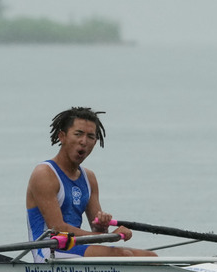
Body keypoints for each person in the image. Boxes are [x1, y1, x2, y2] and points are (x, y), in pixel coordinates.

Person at [25, 107, 154, 263]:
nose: (84, 141)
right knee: (123, 255)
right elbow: (58, 230)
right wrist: (109, 236)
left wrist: (102, 226)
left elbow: (97, 229)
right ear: (62, 136)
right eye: (78, 134)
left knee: (150, 257)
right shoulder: (44, 174)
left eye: (90, 136)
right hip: (49, 250)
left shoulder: (89, 178)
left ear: (95, 142)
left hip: (74, 248)